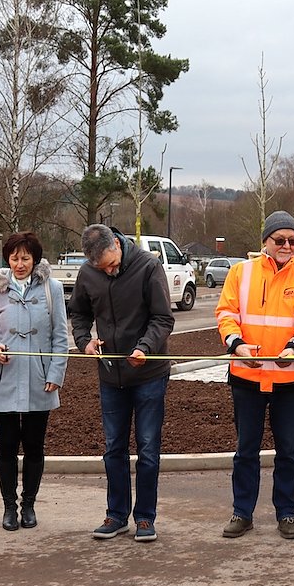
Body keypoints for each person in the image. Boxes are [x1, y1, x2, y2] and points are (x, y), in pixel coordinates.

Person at [216, 211, 294, 541]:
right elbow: (226, 313)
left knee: (288, 451)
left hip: (289, 379)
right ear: (266, 241)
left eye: (293, 241)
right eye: (280, 240)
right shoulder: (240, 272)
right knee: (245, 450)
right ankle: (242, 512)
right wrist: (236, 345)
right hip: (246, 377)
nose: (287, 246)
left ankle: (287, 512)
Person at [68, 224, 175, 543]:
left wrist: (145, 347)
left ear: (117, 243)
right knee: (113, 448)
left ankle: (145, 517)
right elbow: (79, 314)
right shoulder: (88, 273)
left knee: (148, 448)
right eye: (102, 268)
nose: (109, 271)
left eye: (112, 264)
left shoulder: (148, 266)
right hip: (110, 375)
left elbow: (163, 318)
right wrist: (84, 341)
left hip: (148, 374)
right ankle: (116, 515)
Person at [0, 232, 67, 532]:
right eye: (14, 258)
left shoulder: (52, 289)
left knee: (34, 446)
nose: (19, 264)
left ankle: (29, 504)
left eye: (25, 258)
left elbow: (60, 337)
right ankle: (8, 507)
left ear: (35, 259)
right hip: (4, 378)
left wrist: (55, 374)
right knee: (6, 447)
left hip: (39, 379)